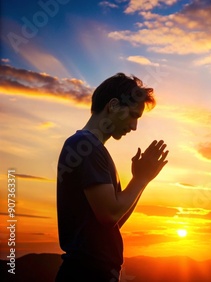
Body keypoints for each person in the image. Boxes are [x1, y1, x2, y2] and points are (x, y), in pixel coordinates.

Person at [55, 73, 169, 281]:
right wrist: (140, 179)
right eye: (134, 115)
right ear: (113, 106)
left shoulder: (91, 147)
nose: (134, 127)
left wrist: (142, 180)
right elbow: (109, 214)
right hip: (85, 274)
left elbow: (114, 221)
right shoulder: (85, 146)